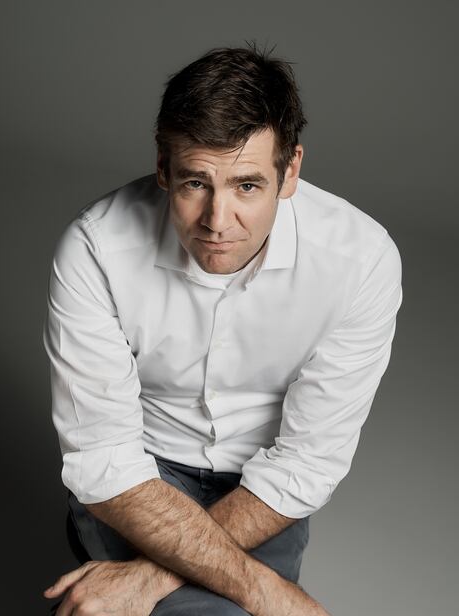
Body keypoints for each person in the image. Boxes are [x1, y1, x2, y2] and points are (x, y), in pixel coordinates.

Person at [41, 45, 403, 616]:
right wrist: (271, 593)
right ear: (163, 166)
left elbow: (306, 461)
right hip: (142, 474)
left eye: (247, 186)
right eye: (195, 183)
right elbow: (104, 458)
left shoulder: (361, 261)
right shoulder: (96, 249)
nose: (217, 221)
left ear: (291, 171)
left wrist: (146, 577)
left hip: (264, 488)